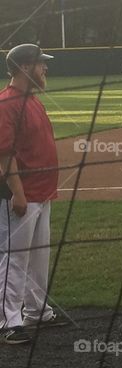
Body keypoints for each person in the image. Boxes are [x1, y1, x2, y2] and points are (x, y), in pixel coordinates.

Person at [0, 44, 64, 345]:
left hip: (42, 192)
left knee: (38, 257)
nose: (45, 69)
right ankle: (8, 322)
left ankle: (37, 312)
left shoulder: (33, 100)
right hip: (20, 196)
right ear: (25, 68)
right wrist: (18, 194)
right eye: (41, 64)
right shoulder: (6, 104)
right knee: (14, 259)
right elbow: (5, 154)